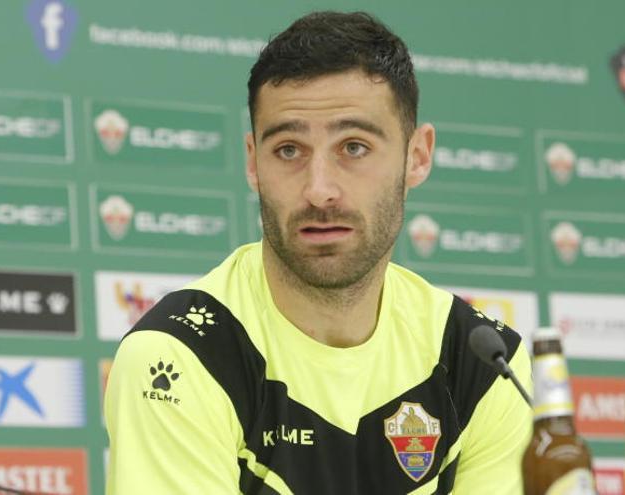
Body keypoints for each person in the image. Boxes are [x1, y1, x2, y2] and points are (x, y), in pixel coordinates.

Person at [105, 11, 532, 494]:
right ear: (253, 162)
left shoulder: (482, 362)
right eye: (289, 149)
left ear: (418, 156)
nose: (320, 190)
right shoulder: (180, 354)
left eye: (353, 147)